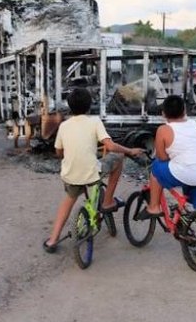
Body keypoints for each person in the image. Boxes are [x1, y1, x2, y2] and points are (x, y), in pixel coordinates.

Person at [43, 88, 143, 253]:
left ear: (69, 106)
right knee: (117, 158)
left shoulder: (64, 126)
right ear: (89, 106)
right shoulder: (95, 122)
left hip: (70, 175)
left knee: (68, 202)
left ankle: (52, 240)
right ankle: (108, 201)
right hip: (91, 174)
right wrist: (130, 151)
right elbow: (110, 146)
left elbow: (58, 152)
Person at [137, 95, 196, 219]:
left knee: (156, 168)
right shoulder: (195, 124)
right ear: (184, 111)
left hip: (187, 173)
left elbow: (162, 157)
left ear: (163, 114)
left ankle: (153, 207)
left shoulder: (163, 130)